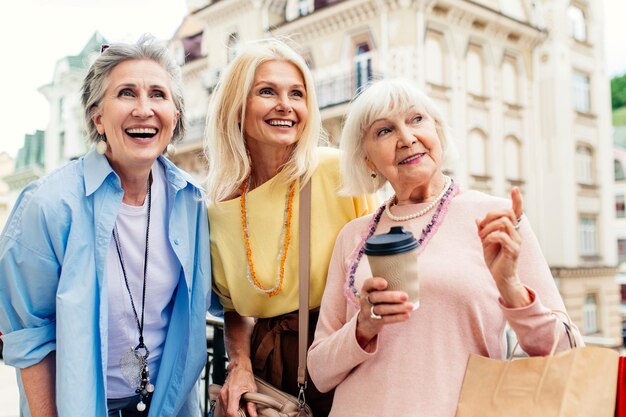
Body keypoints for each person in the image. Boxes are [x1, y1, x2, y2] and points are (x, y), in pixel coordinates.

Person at [306, 78, 583, 417]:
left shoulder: (495, 218)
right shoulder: (354, 236)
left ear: (437, 130)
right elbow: (319, 373)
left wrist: (511, 287)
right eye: (384, 131)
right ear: (367, 159)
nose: (407, 138)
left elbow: (565, 349)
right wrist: (363, 326)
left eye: (416, 119)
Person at [0, 35, 212, 417]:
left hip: (169, 405)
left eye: (159, 95)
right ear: (97, 116)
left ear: (175, 117)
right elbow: (26, 336)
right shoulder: (47, 205)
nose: (144, 109)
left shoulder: (192, 202)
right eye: (127, 93)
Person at [205, 38, 377, 417]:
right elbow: (234, 309)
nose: (285, 105)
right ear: (237, 106)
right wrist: (240, 365)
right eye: (267, 91)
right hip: (268, 381)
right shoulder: (218, 207)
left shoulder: (337, 171)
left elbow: (383, 265)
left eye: (296, 93)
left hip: (347, 361)